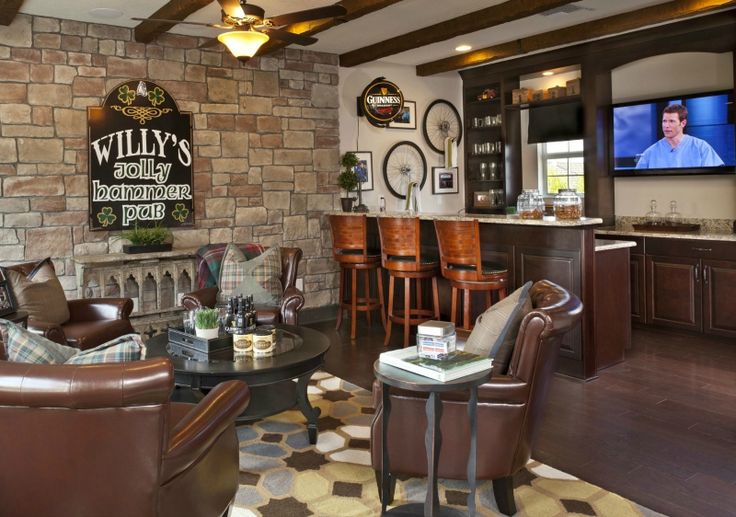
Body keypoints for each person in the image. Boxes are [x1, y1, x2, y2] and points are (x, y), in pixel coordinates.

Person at [636, 104, 724, 169]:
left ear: (683, 123)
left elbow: (716, 176)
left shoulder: (701, 147)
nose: (666, 125)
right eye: (664, 121)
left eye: (671, 121)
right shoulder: (650, 152)